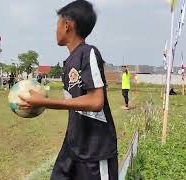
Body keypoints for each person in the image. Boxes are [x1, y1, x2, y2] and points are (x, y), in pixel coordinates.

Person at [18, 1, 118, 179]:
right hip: (73, 146)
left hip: (95, 152)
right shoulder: (69, 62)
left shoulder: (89, 53)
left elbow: (96, 101)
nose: (55, 30)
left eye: (57, 24)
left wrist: (45, 103)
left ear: (67, 25)